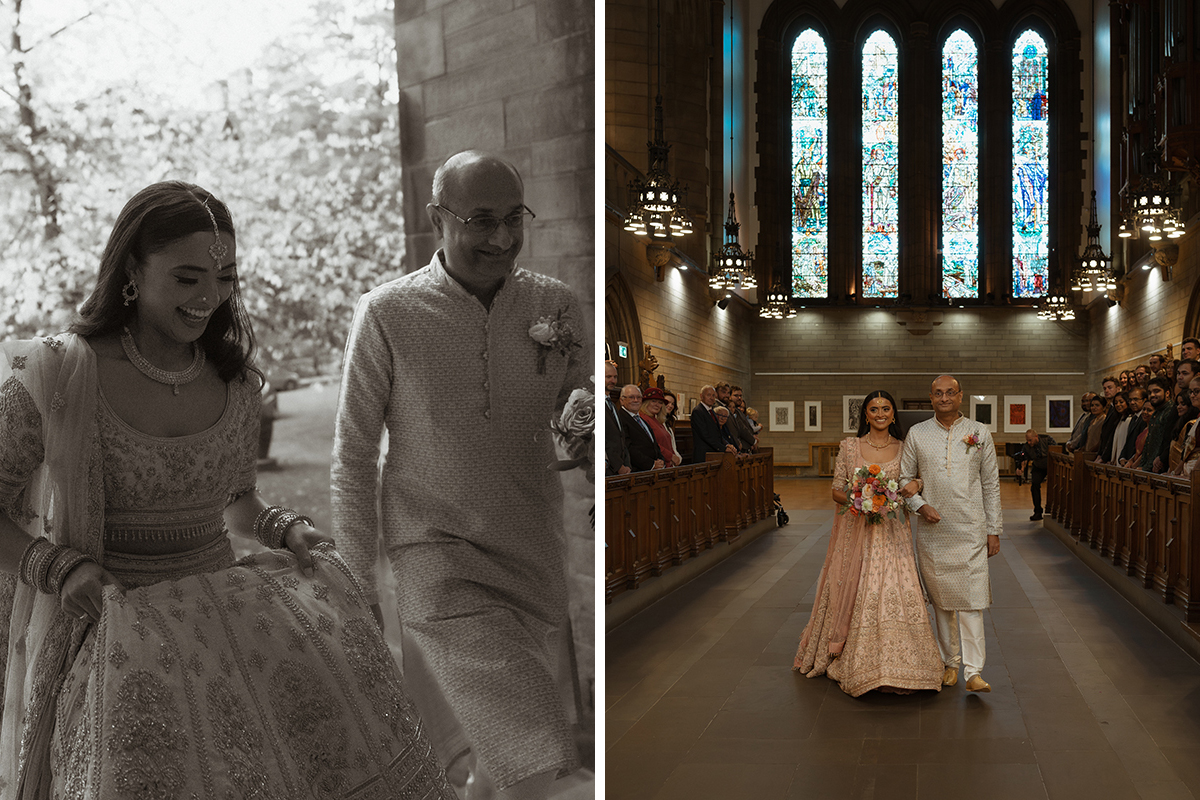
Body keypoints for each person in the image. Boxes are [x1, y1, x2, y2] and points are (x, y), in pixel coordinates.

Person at [0, 181, 454, 798]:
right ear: (132, 268)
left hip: (224, 622)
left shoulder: (234, 383)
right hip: (114, 633)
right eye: (187, 278)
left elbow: (240, 507)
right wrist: (55, 565)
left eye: (225, 278)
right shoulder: (59, 374)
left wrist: (285, 528)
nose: (208, 298)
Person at [331, 151, 586, 800]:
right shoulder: (386, 313)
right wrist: (358, 579)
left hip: (532, 547)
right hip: (434, 553)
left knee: (501, 740)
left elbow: (574, 417)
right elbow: (355, 453)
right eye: (480, 220)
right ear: (436, 218)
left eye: (513, 218)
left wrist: (592, 433)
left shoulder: (556, 307)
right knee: (531, 741)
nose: (501, 238)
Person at [794, 390, 943, 696]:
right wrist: (860, 498)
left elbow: (916, 480)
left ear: (892, 414)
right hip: (856, 531)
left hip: (891, 534)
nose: (879, 413)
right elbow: (836, 490)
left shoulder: (904, 448)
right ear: (865, 414)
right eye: (873, 409)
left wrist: (917, 484)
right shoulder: (850, 447)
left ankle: (902, 661)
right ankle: (856, 658)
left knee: (892, 589)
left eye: (885, 408)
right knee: (860, 587)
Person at [900, 375, 1002, 693]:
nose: (944, 397)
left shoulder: (979, 432)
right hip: (934, 530)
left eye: (950, 392)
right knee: (942, 602)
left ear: (961, 397)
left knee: (972, 601)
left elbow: (990, 483)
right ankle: (950, 662)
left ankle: (974, 671)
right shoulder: (917, 434)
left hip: (971, 527)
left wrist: (993, 529)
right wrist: (919, 506)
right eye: (938, 393)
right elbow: (905, 478)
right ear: (930, 398)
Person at [620, 384, 665, 471]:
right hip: (638, 471)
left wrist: (661, 460)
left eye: (639, 397)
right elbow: (628, 447)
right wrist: (651, 464)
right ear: (622, 400)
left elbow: (654, 444)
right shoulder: (620, 419)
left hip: (653, 470)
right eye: (631, 397)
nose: (636, 400)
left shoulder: (641, 420)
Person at [690, 385, 736, 463]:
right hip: (704, 455)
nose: (711, 398)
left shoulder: (712, 412)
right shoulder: (698, 411)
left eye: (713, 395)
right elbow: (705, 435)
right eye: (708, 395)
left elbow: (717, 433)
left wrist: (726, 445)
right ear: (701, 396)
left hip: (713, 453)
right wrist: (723, 448)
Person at [1138, 377, 1174, 472]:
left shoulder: (1171, 411)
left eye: (1156, 391)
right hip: (1149, 467)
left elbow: (1166, 442)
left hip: (1160, 467)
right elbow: (1149, 442)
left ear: (1167, 393)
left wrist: (1153, 465)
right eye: (1149, 392)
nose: (1152, 395)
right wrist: (1142, 465)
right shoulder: (1155, 414)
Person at [1018, 428, 1055, 520]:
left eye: (1030, 440)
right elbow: (1024, 459)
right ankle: (1037, 512)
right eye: (1027, 440)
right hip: (1038, 466)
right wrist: (1021, 469)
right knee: (1034, 485)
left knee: (1054, 486)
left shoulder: (1047, 439)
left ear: (1036, 437)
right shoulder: (1027, 447)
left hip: (1051, 466)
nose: (1029, 442)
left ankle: (1054, 510)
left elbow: (1056, 451)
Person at [641, 387, 681, 466]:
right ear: (646, 402)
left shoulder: (657, 420)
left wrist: (674, 457)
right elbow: (651, 444)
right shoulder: (643, 419)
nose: (657, 405)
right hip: (658, 465)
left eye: (660, 402)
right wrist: (671, 457)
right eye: (653, 401)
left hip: (667, 464)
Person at [605, 360, 631, 476]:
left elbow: (621, 437)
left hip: (620, 470)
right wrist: (618, 466)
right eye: (608, 377)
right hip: (608, 470)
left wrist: (627, 465)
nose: (613, 380)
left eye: (615, 377)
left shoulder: (613, 405)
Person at [662, 389, 683, 460]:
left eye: (673, 404)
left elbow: (673, 446)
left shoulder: (669, 423)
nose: (670, 406)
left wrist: (678, 458)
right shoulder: (656, 422)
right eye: (667, 402)